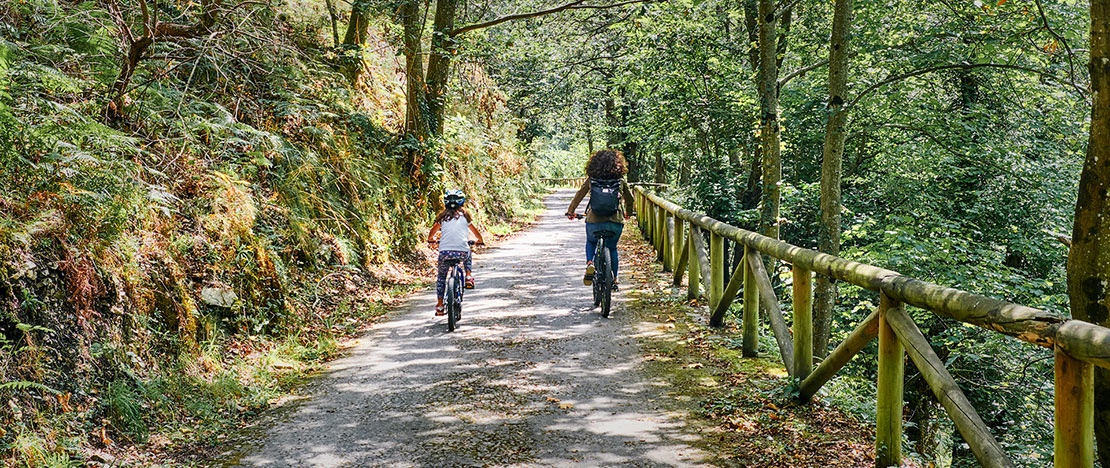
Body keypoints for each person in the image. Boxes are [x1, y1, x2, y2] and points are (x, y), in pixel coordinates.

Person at [565, 149, 635, 289]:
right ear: (618, 165)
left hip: (594, 220)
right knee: (612, 248)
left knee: (591, 241)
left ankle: (590, 263)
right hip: (615, 221)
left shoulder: (592, 180)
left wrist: (571, 211)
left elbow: (579, 195)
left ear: (594, 164)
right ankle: (614, 279)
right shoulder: (620, 180)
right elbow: (630, 199)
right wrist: (628, 213)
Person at [427, 189, 485, 316]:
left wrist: (431, 240)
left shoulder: (442, 218)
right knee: (467, 251)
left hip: (445, 252)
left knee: (441, 278)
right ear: (462, 203)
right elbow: (476, 233)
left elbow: (431, 234)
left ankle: (440, 306)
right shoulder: (465, 217)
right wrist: (479, 241)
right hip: (462, 251)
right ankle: (468, 276)